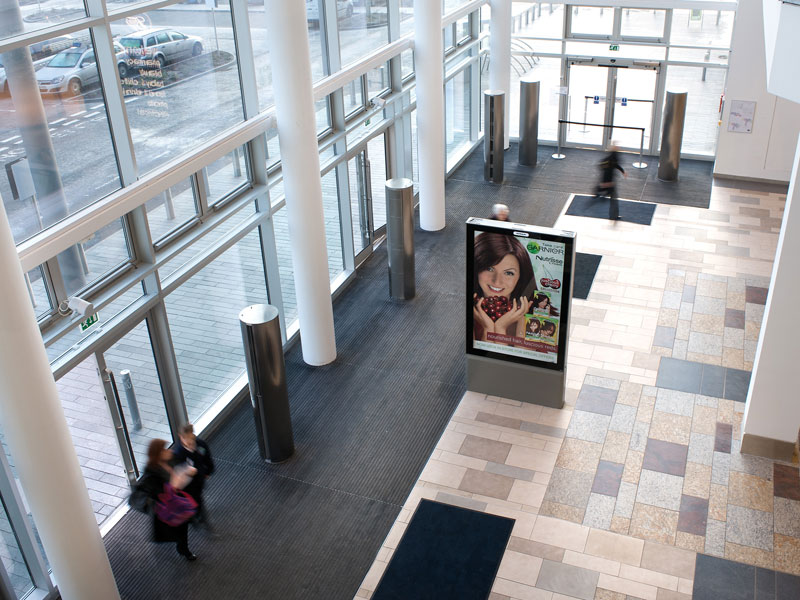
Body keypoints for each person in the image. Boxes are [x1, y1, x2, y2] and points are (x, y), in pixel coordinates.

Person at [139, 439, 198, 561]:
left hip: (177, 501)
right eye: (164, 450)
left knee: (182, 526)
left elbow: (180, 468)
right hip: (168, 506)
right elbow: (157, 491)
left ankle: (182, 547)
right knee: (178, 527)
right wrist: (173, 485)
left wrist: (187, 472)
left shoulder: (170, 460)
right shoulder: (151, 471)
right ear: (158, 453)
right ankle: (183, 548)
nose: (168, 451)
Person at [472, 232, 534, 344]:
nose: (497, 281)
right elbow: (483, 359)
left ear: (521, 276)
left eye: (509, 273)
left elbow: (513, 361)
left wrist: (500, 327)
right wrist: (488, 328)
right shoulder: (469, 309)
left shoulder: (531, 315)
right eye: (489, 269)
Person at [172, 423, 215, 529]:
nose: (191, 441)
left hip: (199, 480)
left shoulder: (200, 445)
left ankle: (196, 517)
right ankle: (200, 520)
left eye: (192, 437)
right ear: (181, 437)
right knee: (196, 501)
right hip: (187, 486)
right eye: (187, 439)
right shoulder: (178, 453)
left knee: (197, 499)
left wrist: (208, 472)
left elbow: (207, 459)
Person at [596, 143, 627, 220]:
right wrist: (607, 183)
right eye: (617, 148)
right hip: (609, 182)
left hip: (610, 181)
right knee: (613, 199)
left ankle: (613, 215)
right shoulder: (612, 158)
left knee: (613, 198)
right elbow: (607, 170)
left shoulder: (613, 157)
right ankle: (613, 216)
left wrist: (622, 171)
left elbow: (614, 165)